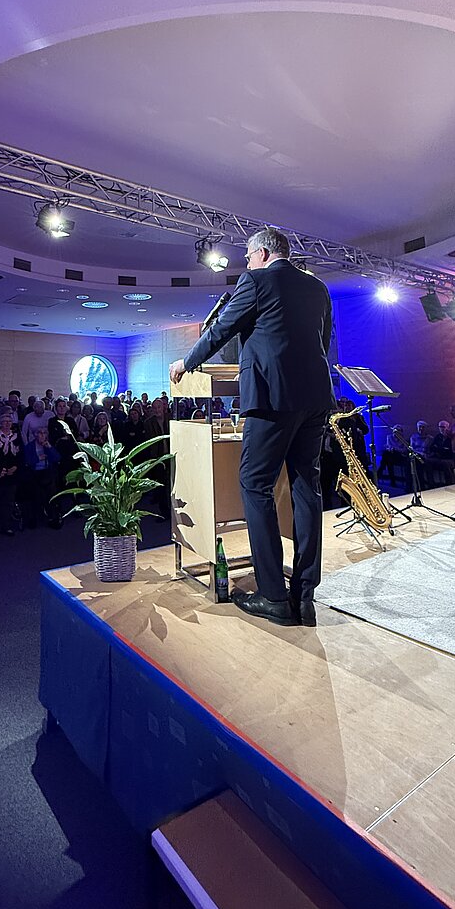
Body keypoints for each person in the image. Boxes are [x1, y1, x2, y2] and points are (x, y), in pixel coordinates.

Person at [170, 226, 333, 627]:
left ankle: (273, 596)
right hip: (315, 398)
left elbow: (221, 329)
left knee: (255, 484)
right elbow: (323, 341)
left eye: (247, 255)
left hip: (272, 397)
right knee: (306, 488)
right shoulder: (318, 288)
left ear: (261, 253)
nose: (246, 261)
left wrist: (186, 362)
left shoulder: (256, 281)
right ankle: (305, 595)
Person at [22, 427, 62, 528]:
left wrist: (49, 448)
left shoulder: (48, 445)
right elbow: (26, 461)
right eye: (40, 433)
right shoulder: (30, 446)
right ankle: (33, 518)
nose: (42, 435)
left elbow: (57, 458)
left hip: (47, 471)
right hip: (34, 473)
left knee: (51, 494)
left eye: (44, 433)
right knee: (35, 495)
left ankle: (53, 517)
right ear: (35, 435)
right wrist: (38, 458)